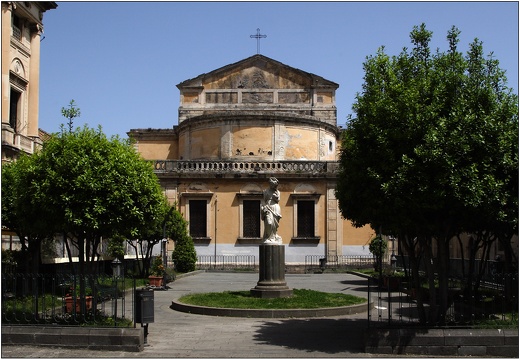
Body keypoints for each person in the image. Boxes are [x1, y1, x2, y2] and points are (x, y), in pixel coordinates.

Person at [261, 177, 282, 244]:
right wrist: (264, 207)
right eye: (271, 184)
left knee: (275, 225)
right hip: (268, 207)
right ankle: (268, 237)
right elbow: (264, 201)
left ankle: (274, 237)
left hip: (275, 208)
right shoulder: (265, 191)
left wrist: (276, 197)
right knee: (269, 222)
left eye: (274, 185)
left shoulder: (277, 192)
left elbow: (278, 200)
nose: (273, 186)